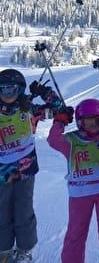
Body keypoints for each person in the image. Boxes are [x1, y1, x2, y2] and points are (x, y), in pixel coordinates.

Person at [47, 98, 99, 263]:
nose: (92, 127)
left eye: (97, 122)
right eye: (87, 122)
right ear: (79, 122)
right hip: (80, 191)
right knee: (76, 232)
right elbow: (53, 139)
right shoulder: (71, 141)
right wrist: (60, 120)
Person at [0, 69, 62, 263]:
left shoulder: (29, 110)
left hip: (26, 170)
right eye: (3, 90)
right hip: (1, 171)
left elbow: (59, 110)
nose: (7, 94)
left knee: (23, 209)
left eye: (12, 90)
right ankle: (4, 249)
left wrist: (44, 92)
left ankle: (24, 249)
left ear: (20, 90)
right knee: (2, 210)